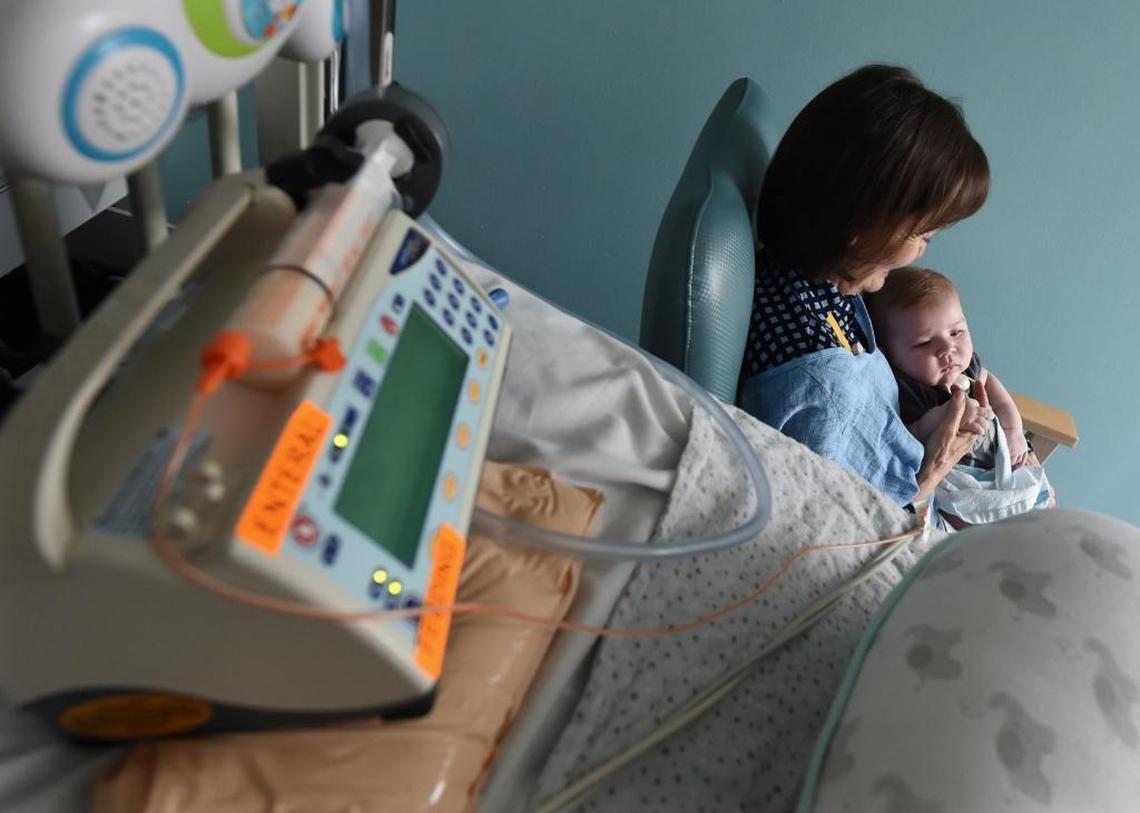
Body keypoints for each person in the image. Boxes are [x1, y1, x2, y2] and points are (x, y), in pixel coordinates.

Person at [737, 64, 993, 507]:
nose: (920, 254)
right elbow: (838, 539)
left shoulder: (808, 283)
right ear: (862, 225)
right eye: (922, 236)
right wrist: (935, 467)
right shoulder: (821, 384)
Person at [865, 266, 1030, 471]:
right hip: (950, 476)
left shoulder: (968, 369)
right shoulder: (902, 390)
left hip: (1000, 460)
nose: (947, 349)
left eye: (956, 332)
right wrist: (939, 417)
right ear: (888, 352)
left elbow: (997, 393)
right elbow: (901, 440)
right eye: (924, 343)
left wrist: (1013, 430)